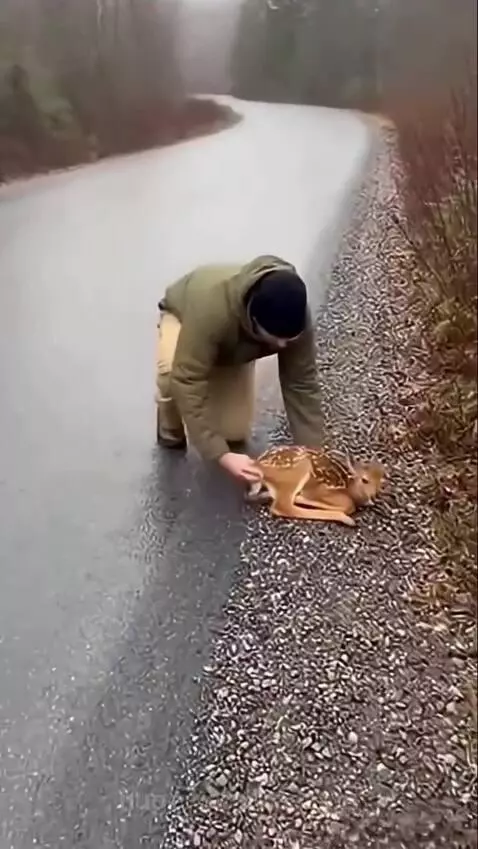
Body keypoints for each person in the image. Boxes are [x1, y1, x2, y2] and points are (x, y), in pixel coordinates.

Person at [155, 254, 323, 484]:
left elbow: (301, 383)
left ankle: (216, 378)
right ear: (253, 319)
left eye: (290, 339)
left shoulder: (295, 315)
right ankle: (169, 427)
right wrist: (221, 455)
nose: (284, 346)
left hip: (232, 351)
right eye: (277, 340)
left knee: (232, 434)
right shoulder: (211, 310)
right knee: (171, 374)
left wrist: (315, 456)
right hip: (186, 320)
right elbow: (188, 379)